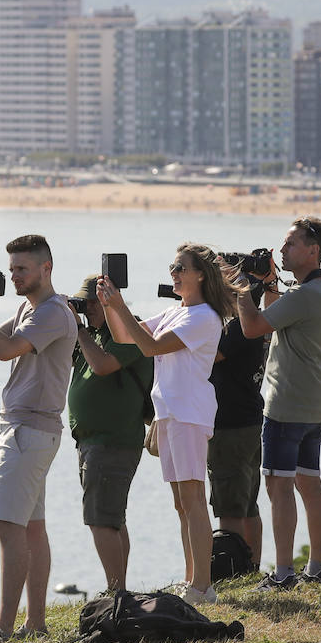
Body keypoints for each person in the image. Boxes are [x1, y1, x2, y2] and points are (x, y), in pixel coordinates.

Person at [0, 234, 76, 643]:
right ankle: (34, 623)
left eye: (22, 268)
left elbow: (5, 351)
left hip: (28, 430)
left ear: (46, 268)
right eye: (11, 269)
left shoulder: (53, 313)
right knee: (32, 528)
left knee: (9, 527)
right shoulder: (29, 307)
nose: (14, 276)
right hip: (31, 430)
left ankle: (3, 627)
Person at [97, 243, 235, 606]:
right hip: (170, 412)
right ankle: (192, 579)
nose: (173, 273)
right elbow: (125, 336)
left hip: (189, 413)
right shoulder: (177, 312)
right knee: (181, 503)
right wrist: (112, 305)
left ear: (200, 275)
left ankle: (203, 587)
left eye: (180, 268)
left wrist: (120, 306)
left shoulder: (204, 316)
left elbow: (151, 347)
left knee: (193, 500)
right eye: (173, 267)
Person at [232, 218, 321, 590]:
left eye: (291, 244)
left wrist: (242, 289)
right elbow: (280, 314)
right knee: (309, 483)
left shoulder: (307, 296)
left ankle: (282, 572)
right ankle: (318, 565)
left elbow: (252, 328)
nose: (282, 251)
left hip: (285, 405)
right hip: (314, 404)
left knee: (277, 485)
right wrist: (270, 285)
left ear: (313, 250)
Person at [67, 274, 152, 593]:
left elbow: (103, 366)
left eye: (92, 304)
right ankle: (119, 589)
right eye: (83, 304)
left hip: (113, 440)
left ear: (108, 302)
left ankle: (116, 592)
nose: (87, 310)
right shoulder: (95, 334)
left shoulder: (127, 330)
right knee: (112, 517)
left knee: (101, 519)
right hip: (93, 441)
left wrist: (78, 330)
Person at [207, 272, 274, 569]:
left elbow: (212, 354)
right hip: (248, 418)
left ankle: (230, 568)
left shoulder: (238, 328)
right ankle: (252, 566)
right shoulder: (257, 323)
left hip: (230, 423)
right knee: (248, 504)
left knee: (229, 506)